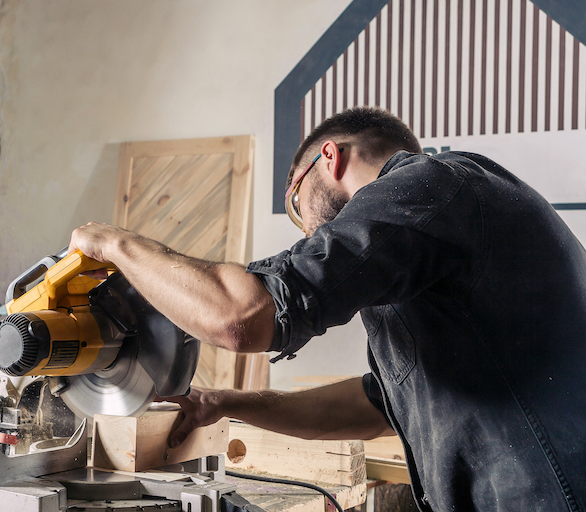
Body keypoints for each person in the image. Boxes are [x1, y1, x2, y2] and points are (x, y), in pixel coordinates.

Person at [69, 107, 586, 511]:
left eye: (296, 202)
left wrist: (114, 244)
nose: (304, 230)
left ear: (330, 158)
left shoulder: (428, 186)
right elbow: (377, 404)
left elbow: (241, 316)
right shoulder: (434, 229)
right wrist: (226, 403)